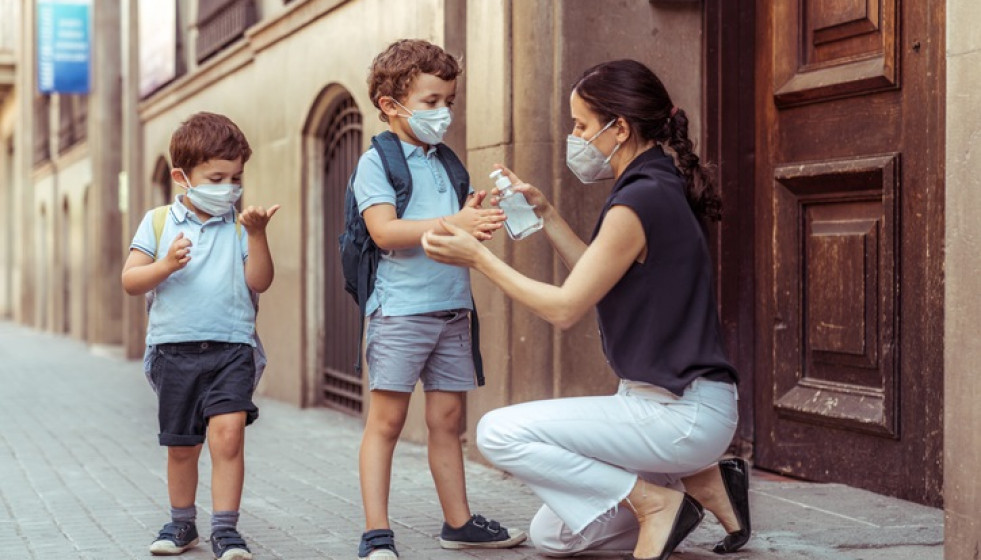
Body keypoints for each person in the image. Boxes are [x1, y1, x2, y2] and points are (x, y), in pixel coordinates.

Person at [422, 59, 751, 560]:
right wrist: (548, 214)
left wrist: (479, 260)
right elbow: (597, 277)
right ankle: (703, 482)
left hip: (679, 412)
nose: (574, 137)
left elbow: (565, 307)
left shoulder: (639, 200)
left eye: (580, 125)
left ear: (618, 127)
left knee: (497, 431)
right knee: (555, 536)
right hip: (669, 409)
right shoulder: (654, 182)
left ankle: (656, 502)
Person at [352, 39, 526, 560]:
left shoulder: (447, 162)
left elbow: (448, 235)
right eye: (430, 102)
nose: (443, 112)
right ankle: (376, 532)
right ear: (391, 105)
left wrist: (474, 215)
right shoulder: (375, 163)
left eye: (448, 100)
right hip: (401, 310)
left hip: (453, 309)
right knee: (386, 423)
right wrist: (456, 220)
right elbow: (385, 231)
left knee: (448, 423)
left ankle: (460, 522)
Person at [121, 112, 279, 560]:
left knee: (228, 435)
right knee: (182, 446)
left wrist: (259, 235)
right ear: (181, 177)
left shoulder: (239, 224)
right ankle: (181, 522)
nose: (229, 187)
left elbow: (261, 280)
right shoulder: (157, 222)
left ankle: (226, 529)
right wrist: (165, 265)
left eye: (236, 177)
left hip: (232, 347)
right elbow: (131, 281)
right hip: (174, 350)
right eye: (216, 177)